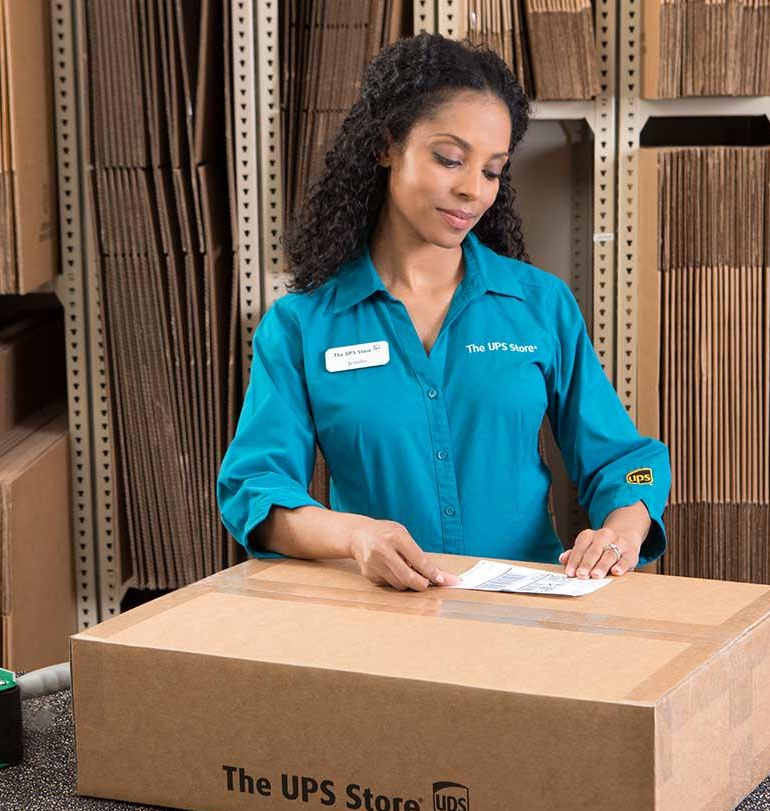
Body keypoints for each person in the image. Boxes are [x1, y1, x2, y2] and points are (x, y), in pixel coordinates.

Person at [217, 33, 670, 592]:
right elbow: (255, 487)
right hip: (382, 624)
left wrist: (624, 527)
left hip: (524, 623)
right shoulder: (300, 326)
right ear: (386, 145)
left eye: (491, 170)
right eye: (450, 159)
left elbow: (628, 460)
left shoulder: (540, 305)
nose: (472, 192)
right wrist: (355, 535)